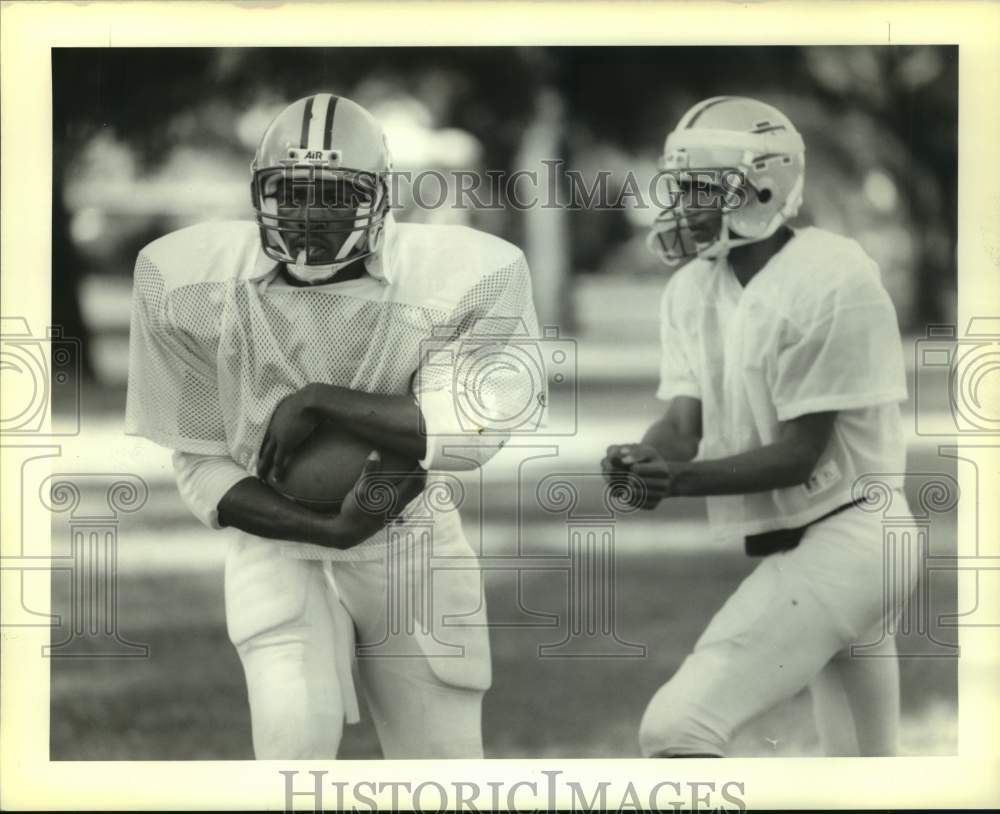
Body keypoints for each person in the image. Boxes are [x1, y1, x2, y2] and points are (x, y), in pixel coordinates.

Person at [125, 93, 543, 759]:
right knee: (292, 762)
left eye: (332, 193)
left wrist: (322, 401)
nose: (309, 213)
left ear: (380, 198)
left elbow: (465, 432)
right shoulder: (186, 282)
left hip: (410, 542)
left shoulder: (465, 273)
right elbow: (201, 462)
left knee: (443, 779)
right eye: (290, 192)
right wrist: (329, 529)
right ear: (260, 192)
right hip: (274, 542)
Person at [603, 96, 917, 757]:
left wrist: (678, 481)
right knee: (864, 778)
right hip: (821, 545)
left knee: (676, 727)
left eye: (700, 186)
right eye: (679, 184)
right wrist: (644, 460)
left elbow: (802, 454)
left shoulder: (832, 276)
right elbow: (683, 423)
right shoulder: (693, 288)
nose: (683, 202)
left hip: (851, 535)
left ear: (762, 187)